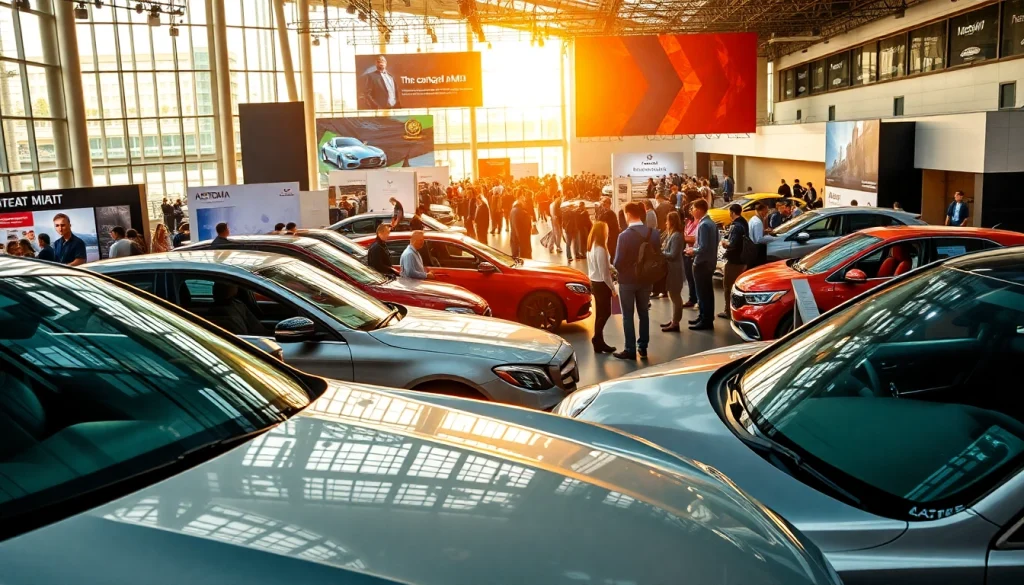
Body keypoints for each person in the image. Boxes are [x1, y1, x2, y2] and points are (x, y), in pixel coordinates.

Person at [612, 202, 659, 360]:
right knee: (644, 313)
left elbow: (618, 262)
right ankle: (643, 347)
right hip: (646, 279)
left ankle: (629, 349)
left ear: (628, 214)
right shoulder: (653, 233)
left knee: (627, 315)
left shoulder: (624, 236)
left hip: (627, 281)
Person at [685, 199, 719, 330]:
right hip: (709, 262)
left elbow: (703, 247)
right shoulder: (710, 222)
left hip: (702, 263)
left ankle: (706, 319)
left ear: (699, 209)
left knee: (703, 292)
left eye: (693, 208)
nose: (692, 211)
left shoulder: (704, 224)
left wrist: (692, 250)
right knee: (706, 292)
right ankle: (704, 316)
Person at [587, 221, 617, 354]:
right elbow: (604, 273)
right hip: (602, 284)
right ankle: (596, 338)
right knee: (605, 313)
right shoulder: (600, 249)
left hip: (595, 281)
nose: (608, 233)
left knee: (600, 313)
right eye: (606, 230)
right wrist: (613, 288)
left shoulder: (592, 246)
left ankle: (599, 341)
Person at [719, 204, 749, 319]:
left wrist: (724, 243)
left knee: (728, 286)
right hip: (742, 259)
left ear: (732, 212)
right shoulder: (744, 223)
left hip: (734, 260)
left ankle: (728, 310)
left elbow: (732, 244)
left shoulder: (736, 226)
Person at [660, 212, 685, 332]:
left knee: (675, 296)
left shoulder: (676, 236)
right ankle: (674, 319)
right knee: (672, 295)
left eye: (667, 221)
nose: (666, 223)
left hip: (675, 269)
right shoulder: (672, 234)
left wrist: (661, 254)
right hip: (672, 269)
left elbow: (673, 254)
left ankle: (676, 322)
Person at [681, 209, 699, 309]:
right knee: (689, 278)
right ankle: (692, 298)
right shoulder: (689, 222)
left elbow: (693, 239)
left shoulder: (698, 224)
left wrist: (684, 237)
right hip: (687, 252)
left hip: (693, 253)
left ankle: (696, 299)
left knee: (694, 279)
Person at [747, 202, 774, 268]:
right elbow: (759, 239)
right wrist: (772, 238)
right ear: (761, 211)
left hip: (751, 247)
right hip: (757, 250)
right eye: (765, 212)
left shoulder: (753, 219)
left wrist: (764, 231)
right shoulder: (758, 222)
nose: (766, 214)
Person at [595, 197, 620, 262]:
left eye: (604, 204)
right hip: (609, 238)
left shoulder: (609, 213)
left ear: (608, 204)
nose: (603, 206)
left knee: (610, 255)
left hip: (610, 238)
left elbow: (603, 224)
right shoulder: (606, 213)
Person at [509, 194, 533, 260]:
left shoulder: (512, 210)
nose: (525, 202)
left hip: (514, 240)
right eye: (524, 201)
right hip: (522, 242)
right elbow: (524, 228)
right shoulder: (522, 213)